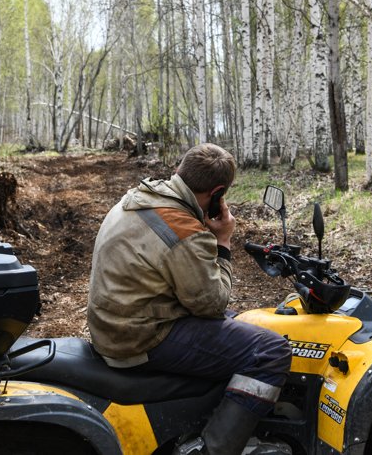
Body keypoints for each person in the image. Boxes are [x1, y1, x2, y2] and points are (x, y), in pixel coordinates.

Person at [88, 143, 292, 455]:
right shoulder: (183, 229)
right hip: (141, 340)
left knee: (238, 321)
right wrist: (222, 240)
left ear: (178, 173)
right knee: (270, 351)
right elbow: (211, 305)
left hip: (114, 325)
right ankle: (216, 449)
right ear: (218, 192)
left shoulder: (139, 198)